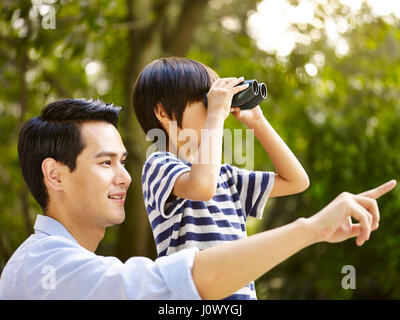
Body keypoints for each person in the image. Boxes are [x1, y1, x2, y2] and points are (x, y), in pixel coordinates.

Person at [0, 98, 396, 300]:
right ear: (55, 174)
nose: (124, 177)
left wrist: (256, 121)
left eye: (123, 161)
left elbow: (295, 180)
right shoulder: (44, 267)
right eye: (106, 162)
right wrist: (312, 229)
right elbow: (174, 282)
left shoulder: (68, 263)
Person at [133, 57, 310, 299]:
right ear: (164, 112)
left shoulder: (226, 176)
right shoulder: (159, 165)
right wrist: (215, 113)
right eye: (205, 100)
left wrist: (258, 122)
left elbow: (297, 181)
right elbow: (202, 186)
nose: (216, 108)